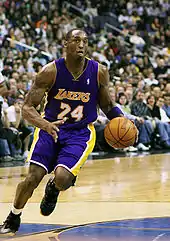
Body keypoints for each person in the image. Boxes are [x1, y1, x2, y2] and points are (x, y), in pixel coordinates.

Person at [0, 29, 124, 234]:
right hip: (50, 129)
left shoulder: (99, 71)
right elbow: (28, 107)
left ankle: (53, 189)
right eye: (76, 40)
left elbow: (108, 105)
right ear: (65, 43)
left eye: (85, 40)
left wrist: (123, 122)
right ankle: (13, 216)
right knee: (32, 177)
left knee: (63, 178)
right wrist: (44, 124)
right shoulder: (50, 71)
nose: (82, 45)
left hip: (80, 133)